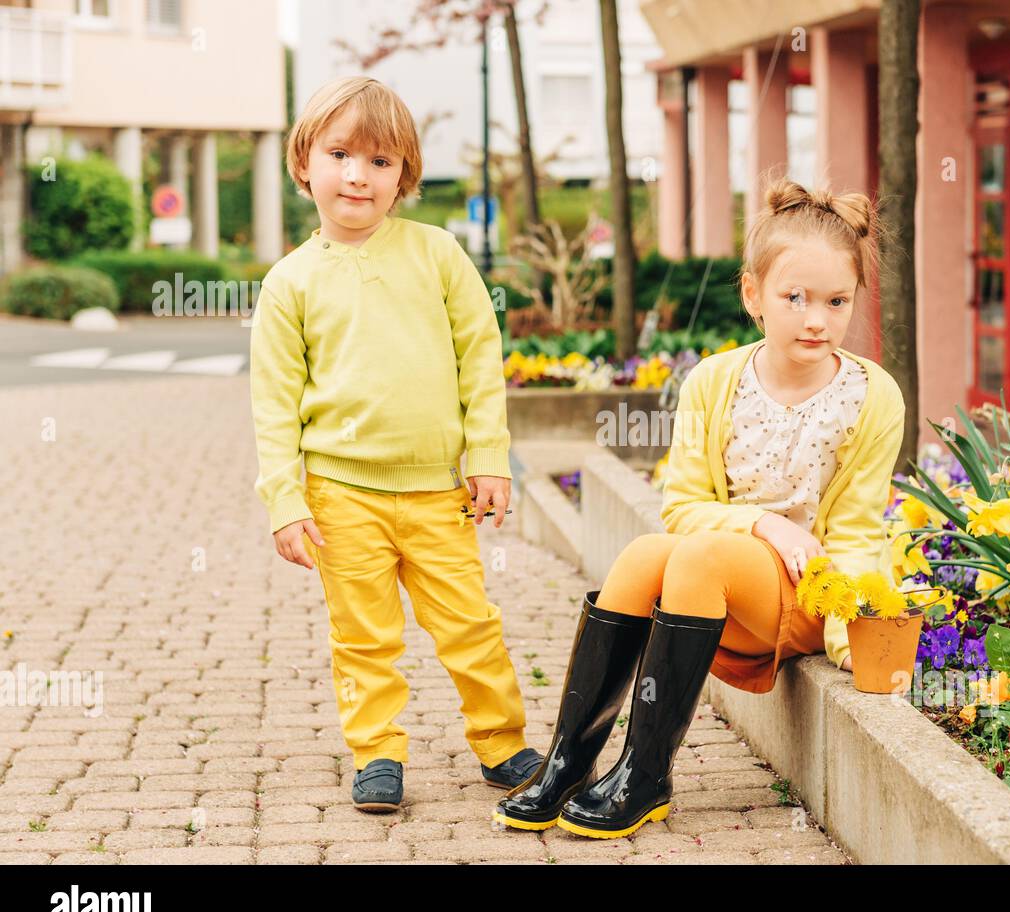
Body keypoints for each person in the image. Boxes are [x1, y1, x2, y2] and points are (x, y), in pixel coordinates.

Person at [493, 178, 907, 839]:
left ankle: (645, 773)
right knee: (644, 554)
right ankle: (570, 760)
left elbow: (857, 531)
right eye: (795, 298)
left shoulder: (871, 396)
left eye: (837, 301)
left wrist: (848, 634)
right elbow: (682, 507)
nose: (817, 319)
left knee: (702, 555)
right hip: (714, 595)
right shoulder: (714, 382)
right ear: (753, 295)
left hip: (807, 595)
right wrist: (762, 523)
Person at [248, 76, 542, 814]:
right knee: (363, 635)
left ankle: (502, 742)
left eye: (380, 161)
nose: (358, 175)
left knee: (469, 624)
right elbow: (274, 404)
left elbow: (480, 354)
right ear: (304, 162)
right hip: (339, 496)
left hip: (438, 490)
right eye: (340, 154)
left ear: (404, 174)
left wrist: (489, 456)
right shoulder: (289, 283)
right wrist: (285, 500)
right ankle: (376, 751)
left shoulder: (437, 253)